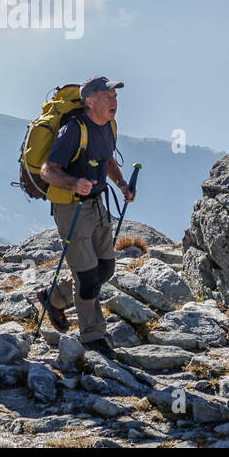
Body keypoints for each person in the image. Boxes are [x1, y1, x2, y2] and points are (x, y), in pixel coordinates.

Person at [37, 75, 134, 357]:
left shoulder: (107, 127)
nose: (114, 101)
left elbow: (107, 160)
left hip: (96, 204)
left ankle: (54, 297)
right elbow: (47, 170)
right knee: (88, 277)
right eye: (107, 97)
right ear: (89, 100)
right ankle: (92, 337)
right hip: (72, 206)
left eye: (115, 96)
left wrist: (122, 184)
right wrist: (73, 183)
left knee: (105, 269)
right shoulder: (73, 129)